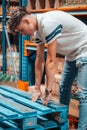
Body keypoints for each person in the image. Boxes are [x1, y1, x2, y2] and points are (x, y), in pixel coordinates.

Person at [7, 6, 87, 130]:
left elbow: (50, 61)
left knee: (83, 95)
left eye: (21, 30)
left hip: (85, 48)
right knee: (64, 88)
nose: (23, 34)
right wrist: (37, 88)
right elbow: (39, 60)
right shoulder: (39, 30)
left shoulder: (48, 24)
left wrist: (48, 91)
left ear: (26, 21)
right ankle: (62, 123)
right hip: (72, 53)